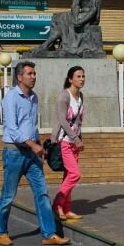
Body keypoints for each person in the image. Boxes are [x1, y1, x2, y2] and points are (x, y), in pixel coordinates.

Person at [0, 61, 70, 246]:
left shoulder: (34, 97)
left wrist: (38, 144)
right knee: (8, 195)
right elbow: (12, 129)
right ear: (19, 77)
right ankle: (1, 231)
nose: (34, 76)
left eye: (34, 73)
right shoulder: (11, 98)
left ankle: (49, 234)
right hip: (14, 153)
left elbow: (32, 126)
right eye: (30, 74)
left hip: (32, 154)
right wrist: (31, 145)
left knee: (42, 193)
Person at [50, 66, 86, 221]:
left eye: (83, 76)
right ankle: (57, 204)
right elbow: (62, 120)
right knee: (75, 174)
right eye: (78, 76)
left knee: (68, 176)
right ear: (70, 79)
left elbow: (78, 121)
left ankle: (67, 208)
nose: (82, 79)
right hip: (65, 140)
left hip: (75, 141)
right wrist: (75, 139)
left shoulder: (81, 96)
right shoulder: (64, 96)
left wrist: (79, 138)